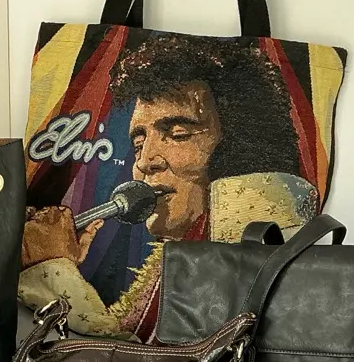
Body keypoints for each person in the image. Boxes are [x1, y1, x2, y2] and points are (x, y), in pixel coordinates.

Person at [20, 33, 318, 340]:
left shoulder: (239, 259)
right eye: (138, 144)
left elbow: (139, 359)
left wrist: (51, 266)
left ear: (239, 147)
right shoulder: (180, 257)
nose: (145, 161)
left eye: (177, 134)